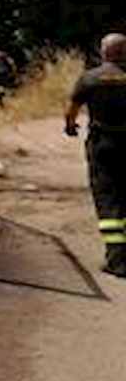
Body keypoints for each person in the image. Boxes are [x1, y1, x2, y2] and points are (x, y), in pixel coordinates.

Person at [65, 33, 126, 277]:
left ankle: (117, 260)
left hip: (103, 144)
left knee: (107, 199)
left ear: (104, 53)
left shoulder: (90, 79)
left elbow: (72, 109)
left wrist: (70, 126)